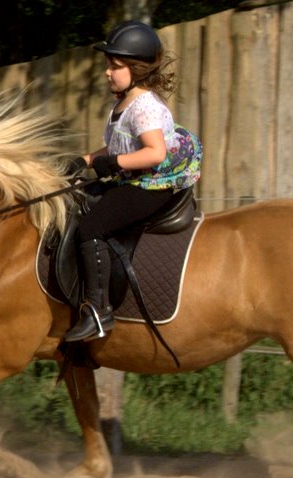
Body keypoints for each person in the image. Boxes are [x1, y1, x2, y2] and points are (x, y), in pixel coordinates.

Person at [65, 20, 202, 343]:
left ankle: (99, 313)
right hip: (135, 177)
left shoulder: (144, 108)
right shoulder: (124, 103)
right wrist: (83, 161)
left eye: (115, 66)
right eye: (107, 66)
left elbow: (154, 153)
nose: (107, 73)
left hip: (153, 186)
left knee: (91, 228)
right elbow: (120, 146)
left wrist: (111, 163)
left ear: (137, 69)